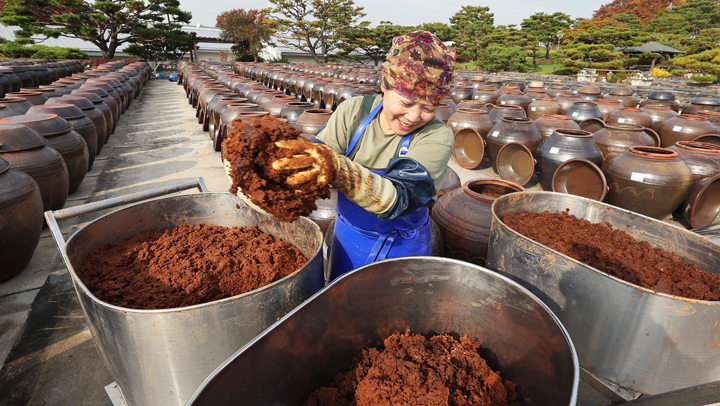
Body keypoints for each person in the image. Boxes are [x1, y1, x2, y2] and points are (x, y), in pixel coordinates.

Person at [273, 30, 456, 281]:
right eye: (405, 102)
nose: (414, 116)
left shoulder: (436, 135)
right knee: (343, 308)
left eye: (429, 108)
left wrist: (338, 170)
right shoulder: (354, 112)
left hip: (405, 251)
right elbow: (317, 159)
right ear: (384, 84)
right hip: (349, 241)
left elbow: (401, 196)